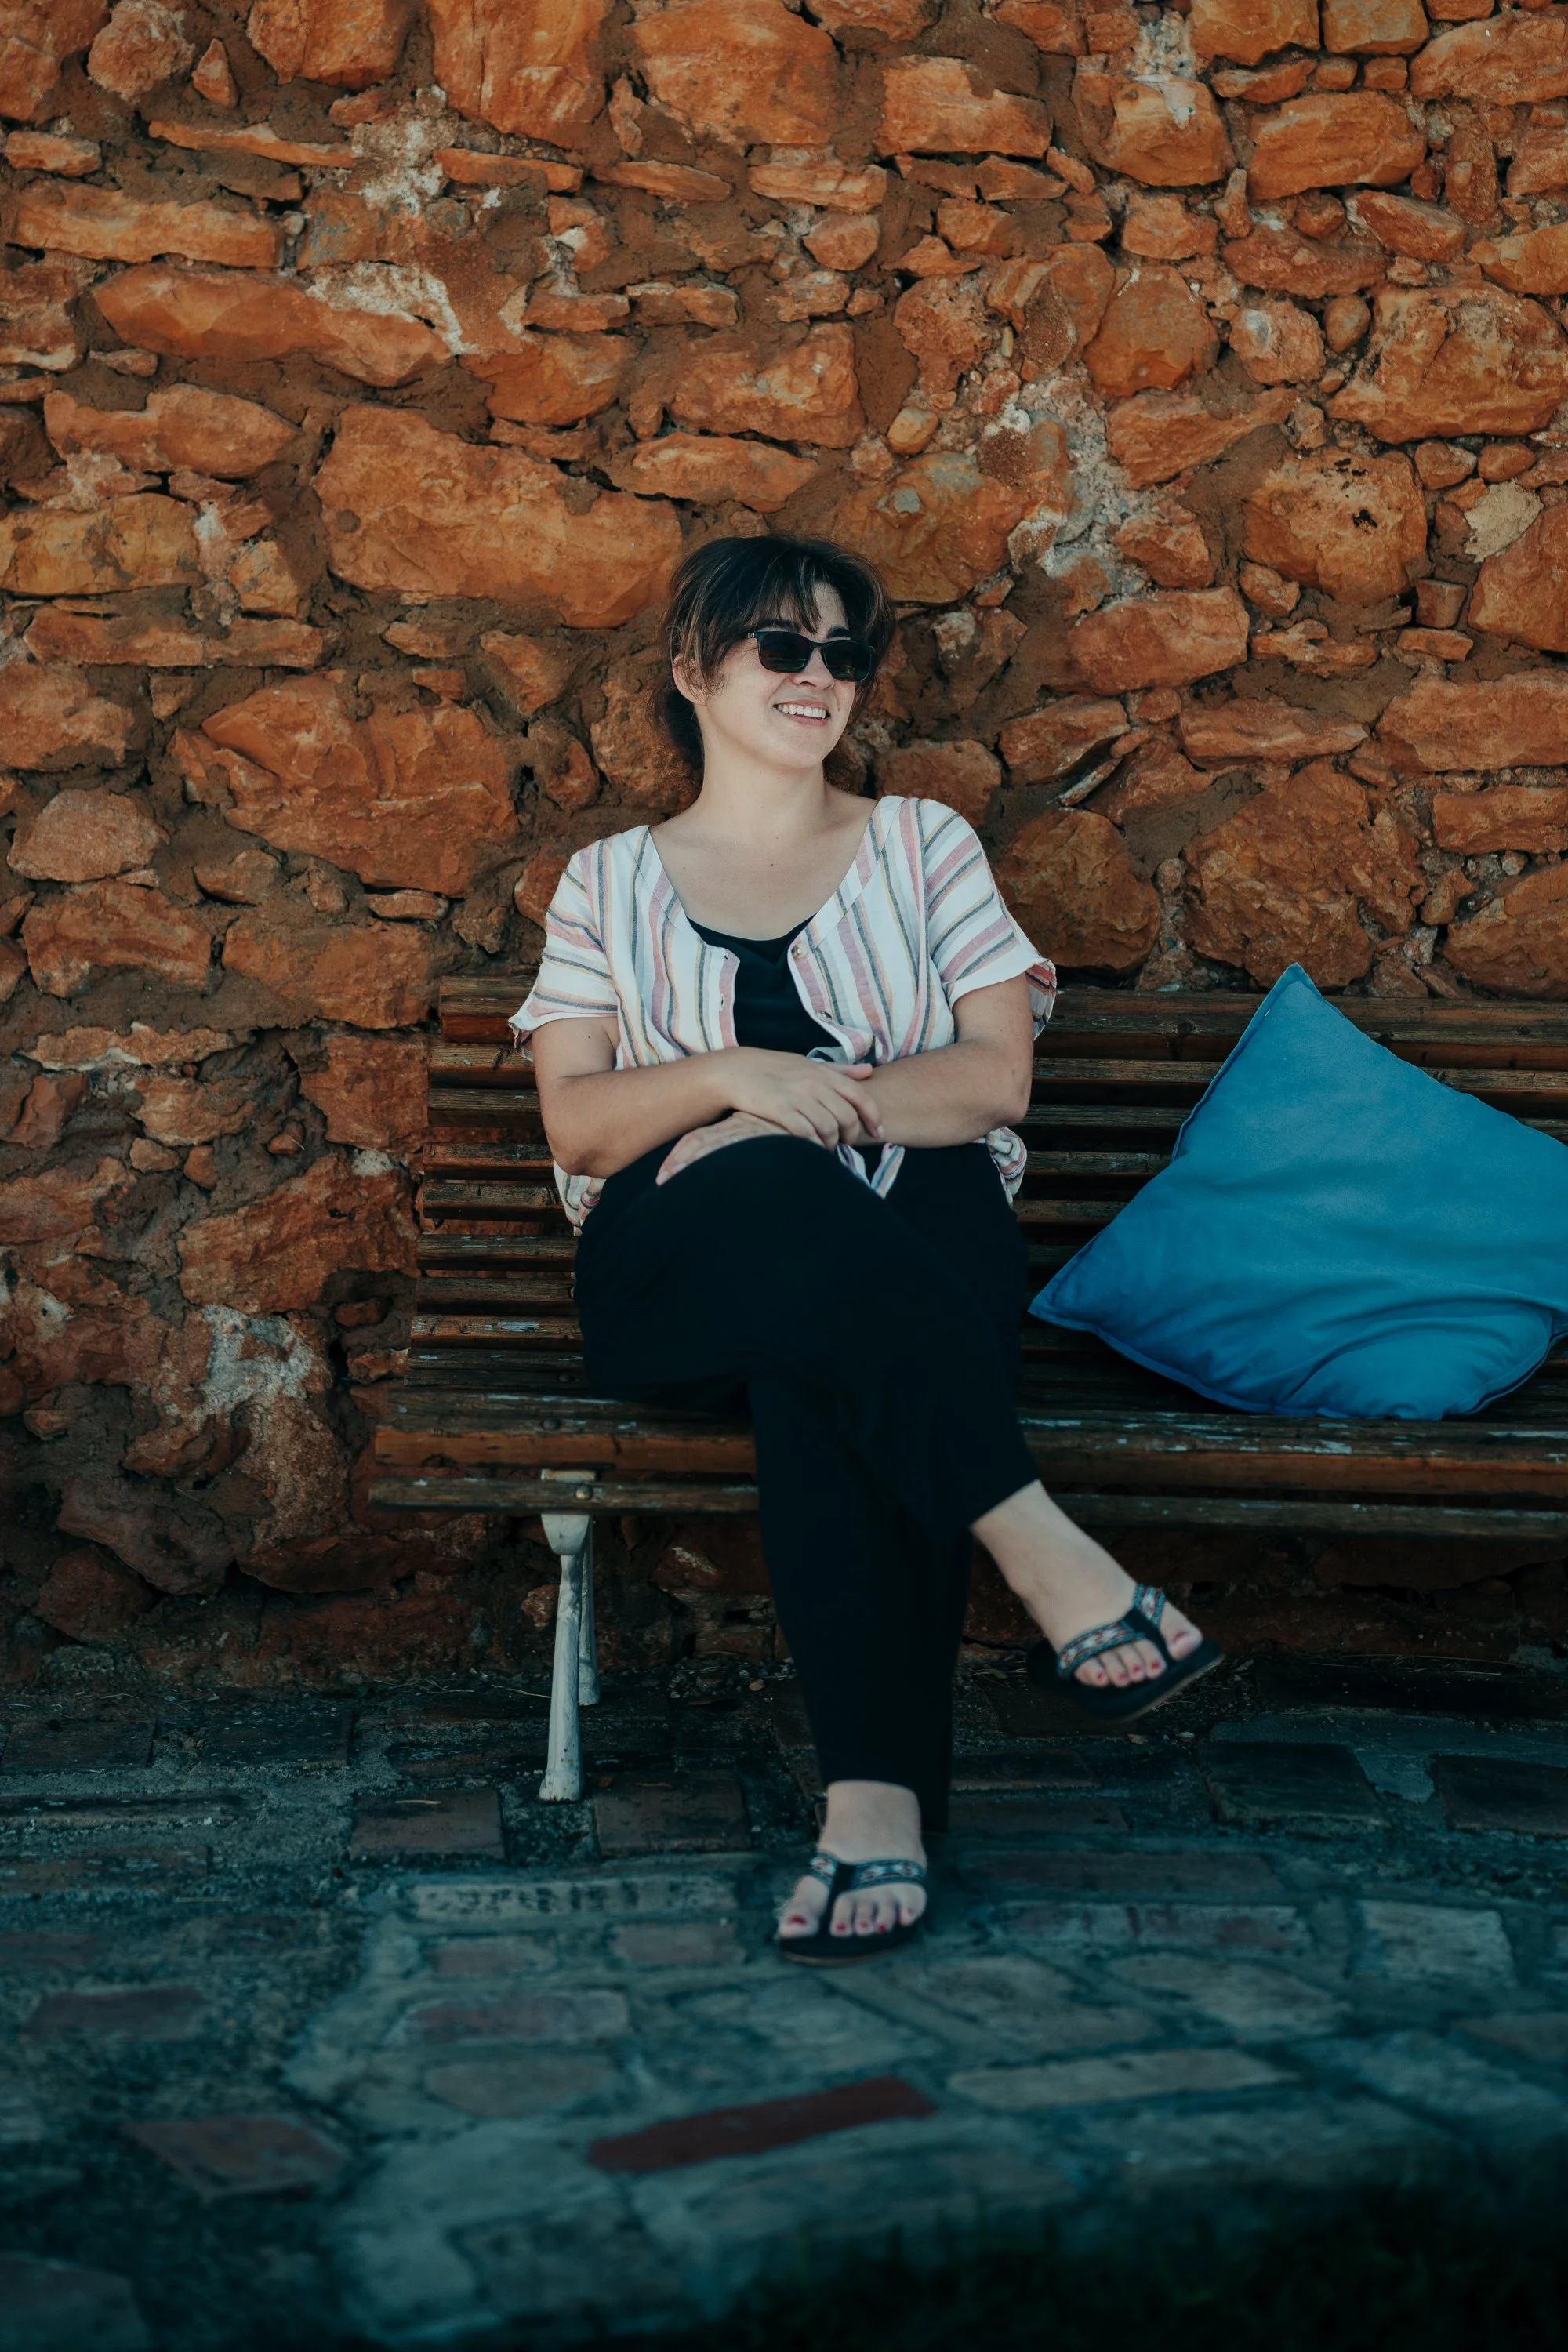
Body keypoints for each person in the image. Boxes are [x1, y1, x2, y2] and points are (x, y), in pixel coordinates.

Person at [514, 535, 1220, 1967]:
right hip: (675, 1274)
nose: (818, 676)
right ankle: (1048, 1555)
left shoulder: (923, 845)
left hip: (909, 1238)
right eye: (783, 646)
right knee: (793, 1255)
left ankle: (868, 1817)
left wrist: (793, 1127)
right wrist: (728, 1082)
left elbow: (991, 1082)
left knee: (822, 1362)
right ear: (693, 672)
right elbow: (584, 1126)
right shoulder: (604, 883)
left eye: (845, 654)